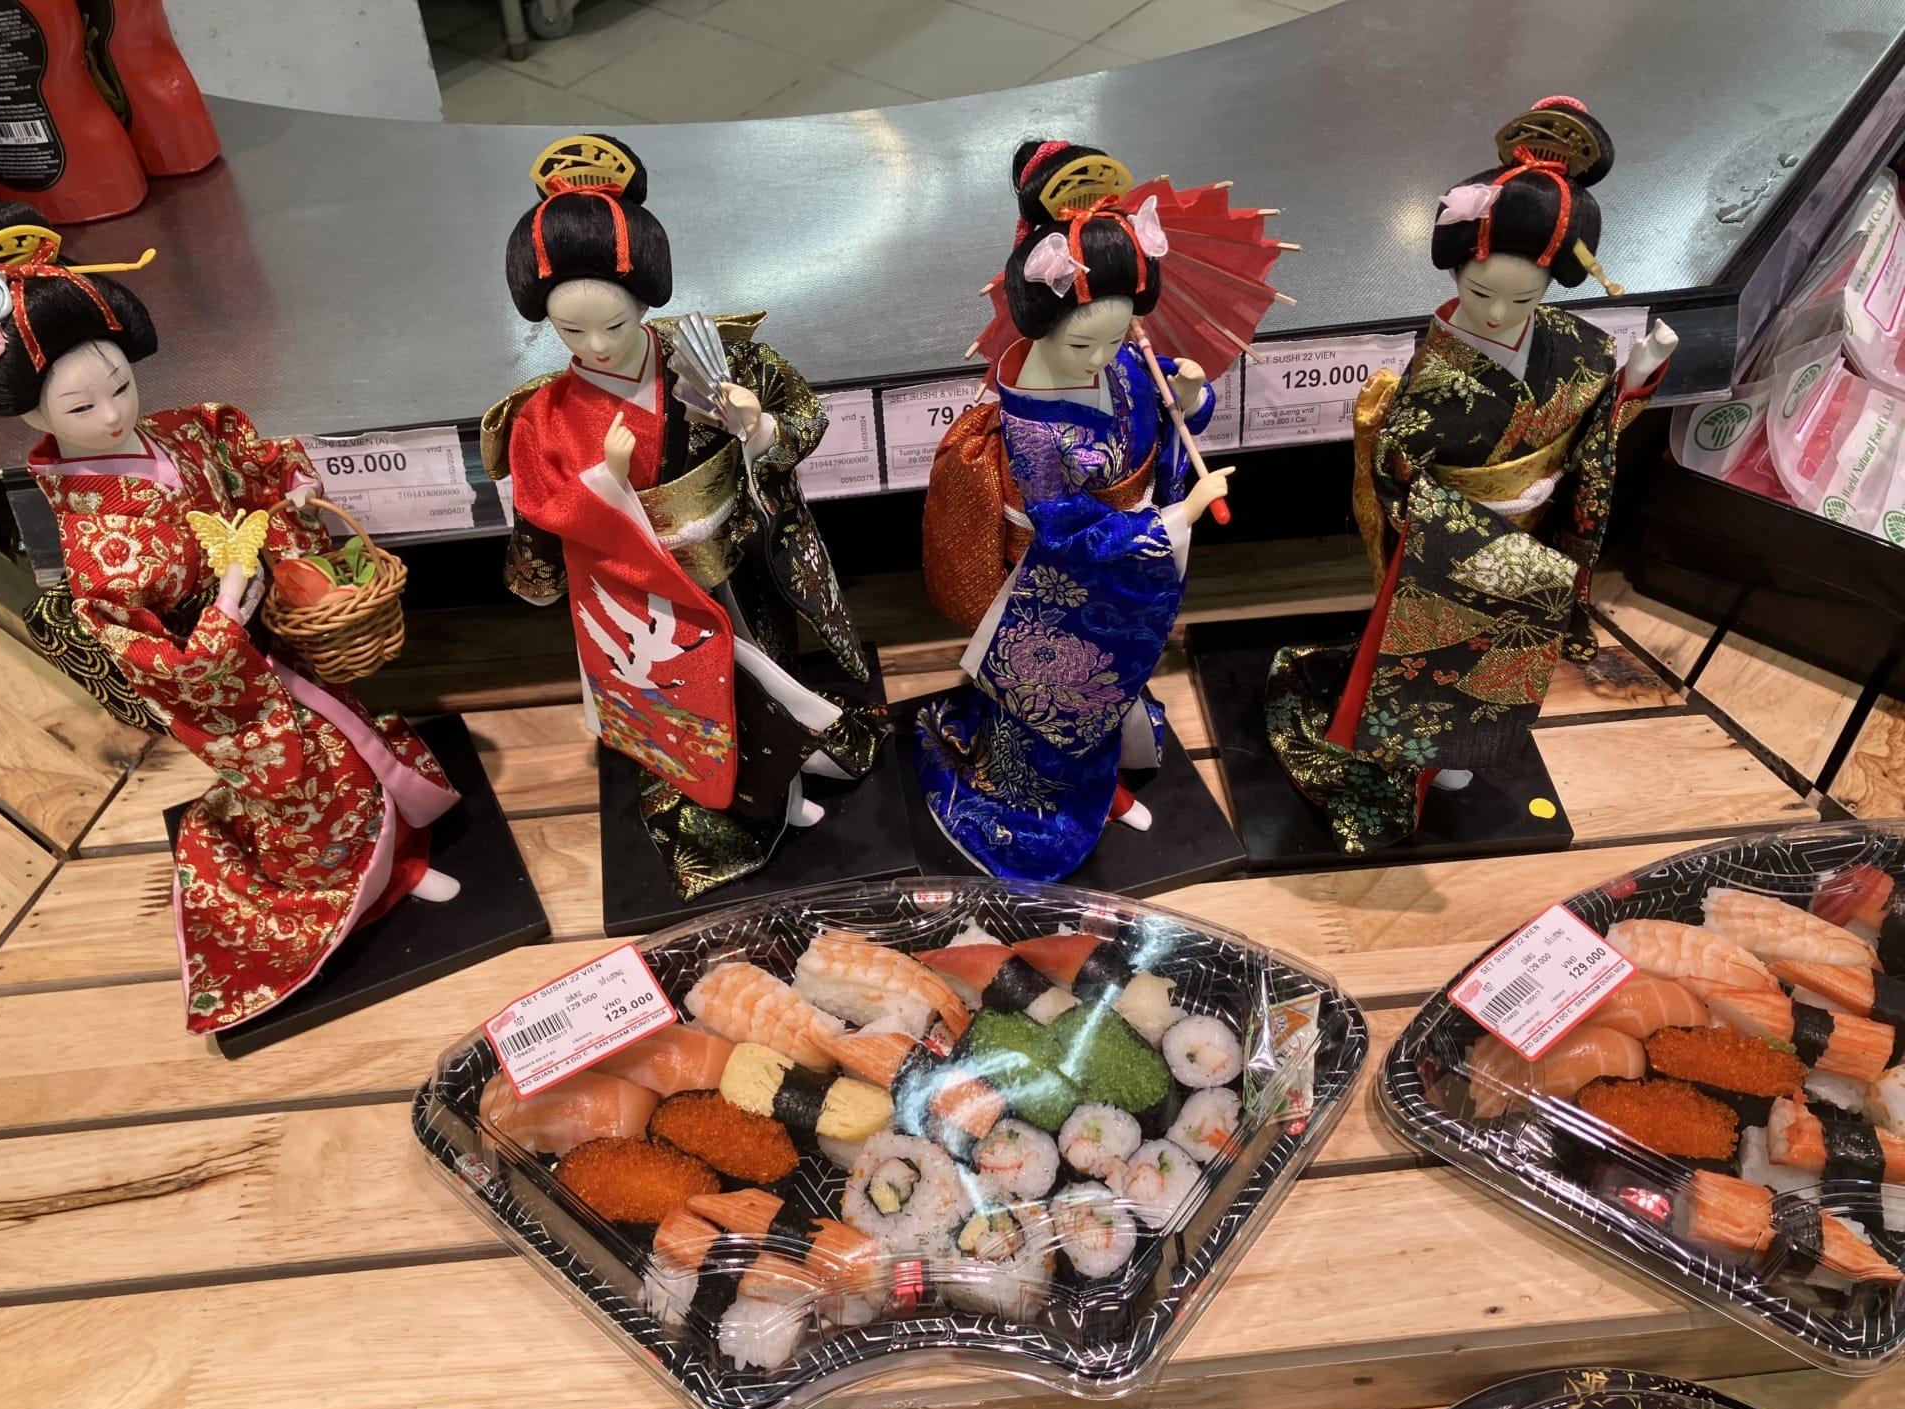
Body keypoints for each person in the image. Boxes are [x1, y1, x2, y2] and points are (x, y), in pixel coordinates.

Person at [0, 185, 460, 1033]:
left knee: (354, 746)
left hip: (278, 637)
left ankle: (397, 860)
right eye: (80, 407)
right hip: (227, 675)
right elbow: (153, 661)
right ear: (28, 412)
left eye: (120, 385)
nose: (113, 414)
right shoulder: (97, 544)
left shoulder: (176, 433)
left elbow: (246, 458)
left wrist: (287, 490)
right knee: (309, 791)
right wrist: (227, 606)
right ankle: (355, 897)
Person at [1264, 98, 1677, 857]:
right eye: (1481, 292)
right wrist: (1464, 527)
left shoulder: (1577, 347)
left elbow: (1592, 436)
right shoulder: (1433, 376)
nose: (1496, 313)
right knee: (1428, 667)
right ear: (1457, 269)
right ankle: (1410, 768)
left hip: (1531, 537)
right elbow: (1396, 473)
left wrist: (1636, 378)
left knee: (1498, 664)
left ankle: (1459, 758)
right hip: (1445, 549)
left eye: (1524, 298)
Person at [483, 134, 878, 902]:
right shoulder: (543, 417)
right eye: (571, 333)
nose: (597, 346)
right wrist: (603, 486)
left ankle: (785, 788)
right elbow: (539, 525)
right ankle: (740, 811)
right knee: (695, 711)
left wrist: (756, 428)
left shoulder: (721, 360)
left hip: (738, 566)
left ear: (645, 301)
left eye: (614, 325)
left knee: (766, 685)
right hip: (642, 599)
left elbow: (808, 419)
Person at [913, 139, 1231, 883]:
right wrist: (1177, 520)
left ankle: (1107, 777)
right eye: (1083, 341)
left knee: (1117, 679)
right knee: (1058, 706)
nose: (1101, 357)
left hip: (1123, 559)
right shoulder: (1030, 419)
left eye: (1117, 337)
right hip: (1056, 580)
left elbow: (1158, 422)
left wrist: (1189, 397)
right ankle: (1072, 800)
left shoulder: (1121, 361)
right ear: (1039, 321)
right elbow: (1063, 525)